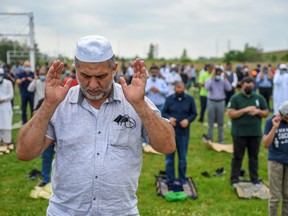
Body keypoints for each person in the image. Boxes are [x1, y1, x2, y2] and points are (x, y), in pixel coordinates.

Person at [16, 35, 175, 215]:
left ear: (114, 69)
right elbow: (25, 152)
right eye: (85, 76)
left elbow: (167, 145)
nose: (92, 84)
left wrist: (139, 105)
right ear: (75, 70)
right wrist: (48, 105)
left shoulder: (133, 100)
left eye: (101, 76)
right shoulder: (60, 103)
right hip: (66, 211)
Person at [227, 76, 269, 187]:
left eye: (250, 86)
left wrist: (257, 111)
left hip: (255, 133)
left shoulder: (259, 98)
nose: (248, 88)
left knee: (253, 157)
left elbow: (266, 112)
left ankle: (254, 179)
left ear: (253, 86)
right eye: (246, 86)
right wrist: (245, 110)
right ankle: (234, 179)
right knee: (237, 157)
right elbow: (230, 113)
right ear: (242, 86)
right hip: (239, 133)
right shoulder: (235, 98)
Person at [162, 81, 197, 184]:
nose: (179, 90)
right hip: (170, 133)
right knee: (169, 159)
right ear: (174, 89)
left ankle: (182, 179)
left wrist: (188, 120)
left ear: (184, 88)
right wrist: (169, 118)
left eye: (181, 88)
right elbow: (163, 112)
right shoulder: (169, 99)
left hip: (183, 133)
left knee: (182, 158)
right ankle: (170, 179)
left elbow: (194, 113)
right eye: (177, 88)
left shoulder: (190, 99)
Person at [263, 101, 288, 216]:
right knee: (275, 196)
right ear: (281, 114)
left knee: (287, 195)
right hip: (275, 162)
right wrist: (274, 128)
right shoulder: (270, 122)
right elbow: (266, 144)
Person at [205, 65, 231, 143]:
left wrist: (225, 79)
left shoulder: (223, 80)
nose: (218, 73)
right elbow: (206, 88)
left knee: (220, 122)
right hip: (211, 101)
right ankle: (210, 138)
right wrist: (212, 77)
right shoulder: (209, 79)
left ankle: (221, 139)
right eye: (216, 71)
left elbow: (229, 88)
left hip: (221, 102)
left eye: (219, 72)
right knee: (210, 122)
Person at [0, 68, 14, 151]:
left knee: (6, 124)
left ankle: (7, 141)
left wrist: (3, 99)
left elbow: (11, 95)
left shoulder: (8, 83)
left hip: (6, 106)